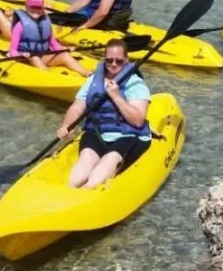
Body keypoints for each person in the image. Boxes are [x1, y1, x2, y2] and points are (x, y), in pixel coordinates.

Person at [56, 39, 152, 188]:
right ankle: (67, 192)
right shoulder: (93, 81)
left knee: (101, 171)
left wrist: (116, 96)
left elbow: (138, 121)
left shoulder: (136, 83)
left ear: (126, 60)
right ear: (104, 60)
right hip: (97, 132)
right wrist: (66, 126)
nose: (113, 64)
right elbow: (77, 107)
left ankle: (87, 192)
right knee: (83, 166)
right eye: (109, 60)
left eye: (119, 61)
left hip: (127, 136)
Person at [7, 0, 90, 76]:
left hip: (43, 55)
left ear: (43, 8)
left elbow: (53, 43)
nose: (35, 10)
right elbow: (12, 50)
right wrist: (20, 55)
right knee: (35, 59)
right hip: (27, 58)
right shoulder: (20, 26)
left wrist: (63, 50)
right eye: (32, 7)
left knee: (64, 55)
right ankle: (50, 76)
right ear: (26, 7)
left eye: (38, 7)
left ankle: (85, 73)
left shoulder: (46, 22)